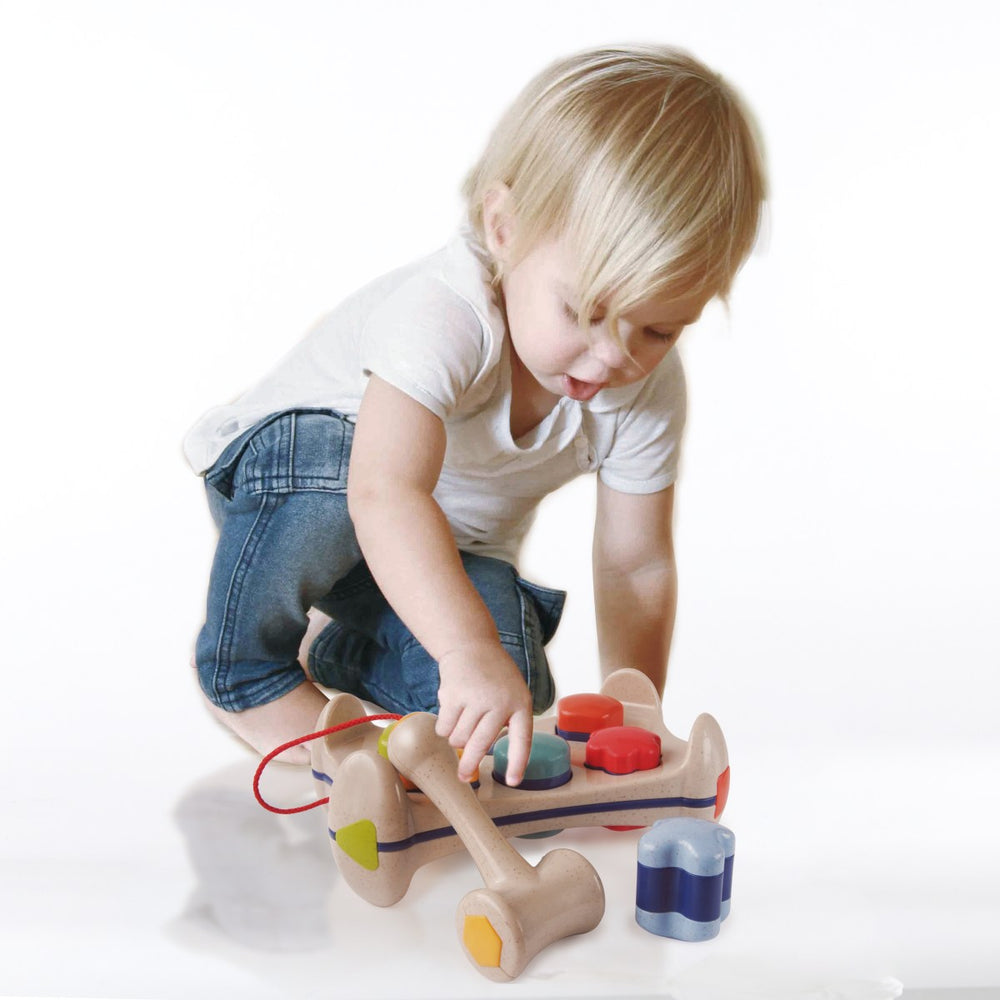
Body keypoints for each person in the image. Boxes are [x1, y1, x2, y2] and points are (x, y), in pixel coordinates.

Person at [184, 45, 766, 785]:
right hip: (296, 483)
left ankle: (346, 650)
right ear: (503, 227)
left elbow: (636, 562)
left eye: (658, 330)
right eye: (583, 311)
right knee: (340, 474)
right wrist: (465, 650)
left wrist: (636, 709)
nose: (609, 359)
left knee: (506, 709)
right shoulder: (445, 316)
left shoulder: (644, 394)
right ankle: (247, 671)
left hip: (430, 554)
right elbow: (384, 493)